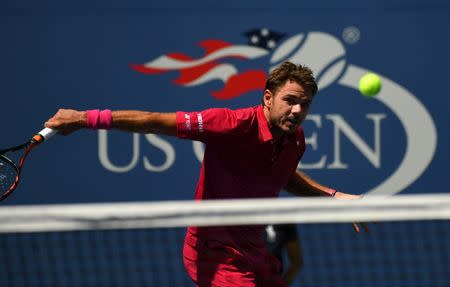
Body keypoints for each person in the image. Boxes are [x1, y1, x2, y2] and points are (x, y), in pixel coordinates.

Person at [45, 61, 368, 287]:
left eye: (305, 104)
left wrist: (332, 197)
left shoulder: (294, 139)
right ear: (268, 97)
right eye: (290, 101)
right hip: (214, 254)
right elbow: (154, 120)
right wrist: (84, 118)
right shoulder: (230, 124)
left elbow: (285, 178)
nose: (297, 110)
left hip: (255, 253)